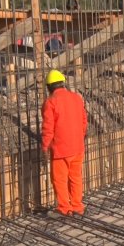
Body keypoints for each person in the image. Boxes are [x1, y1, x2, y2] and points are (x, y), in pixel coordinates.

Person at [41, 69, 88, 217]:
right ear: (63, 83)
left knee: (60, 179)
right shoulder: (76, 98)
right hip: (77, 147)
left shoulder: (50, 102)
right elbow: (84, 122)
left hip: (61, 150)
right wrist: (79, 137)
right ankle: (77, 206)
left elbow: (48, 128)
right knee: (76, 177)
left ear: (49, 87)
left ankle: (64, 208)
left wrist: (45, 147)